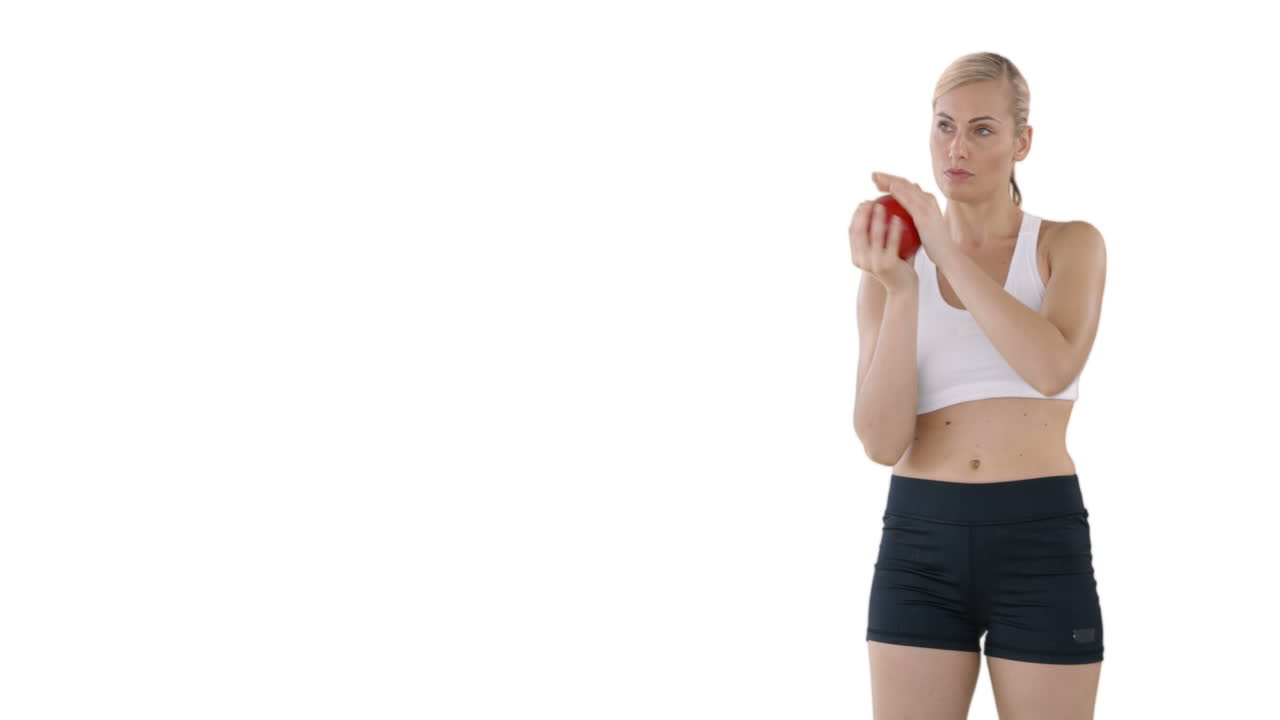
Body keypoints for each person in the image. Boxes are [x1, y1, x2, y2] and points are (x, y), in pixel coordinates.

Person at [848, 52, 1108, 719]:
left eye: (983, 129)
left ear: (1022, 142)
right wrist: (903, 290)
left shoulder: (1067, 245)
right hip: (918, 542)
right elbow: (881, 443)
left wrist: (944, 245)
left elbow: (1051, 369)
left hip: (1038, 540)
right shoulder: (888, 277)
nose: (956, 147)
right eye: (944, 126)